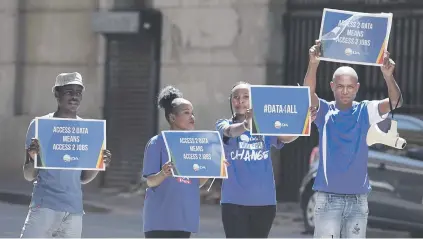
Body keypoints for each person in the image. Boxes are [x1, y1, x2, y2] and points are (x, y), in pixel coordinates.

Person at [304, 40, 402, 238]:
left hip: (358, 200)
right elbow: (306, 95)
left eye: (350, 87)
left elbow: (395, 102)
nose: (345, 91)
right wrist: (313, 64)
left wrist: (388, 76)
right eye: (340, 86)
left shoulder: (365, 110)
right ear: (332, 86)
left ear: (357, 87)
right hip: (328, 198)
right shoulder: (324, 111)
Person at [215, 81, 317, 238]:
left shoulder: (265, 124)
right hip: (233, 202)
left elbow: (286, 138)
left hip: (265, 202)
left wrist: (304, 122)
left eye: (245, 97)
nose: (240, 101)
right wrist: (246, 125)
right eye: (236, 97)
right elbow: (230, 132)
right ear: (231, 101)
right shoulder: (223, 124)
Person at [20, 72, 112, 238]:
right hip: (44, 208)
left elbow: (83, 178)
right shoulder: (40, 126)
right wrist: (34, 158)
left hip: (74, 212)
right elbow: (28, 175)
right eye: (69, 92)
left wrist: (98, 163)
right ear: (57, 93)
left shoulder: (86, 130)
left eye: (78, 93)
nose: (74, 97)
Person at [142, 86, 209, 238]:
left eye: (193, 113)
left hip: (184, 220)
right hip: (159, 221)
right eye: (186, 113)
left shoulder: (195, 145)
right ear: (172, 118)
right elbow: (150, 181)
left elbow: (195, 183)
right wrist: (163, 173)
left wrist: (212, 169)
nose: (192, 117)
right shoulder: (157, 143)